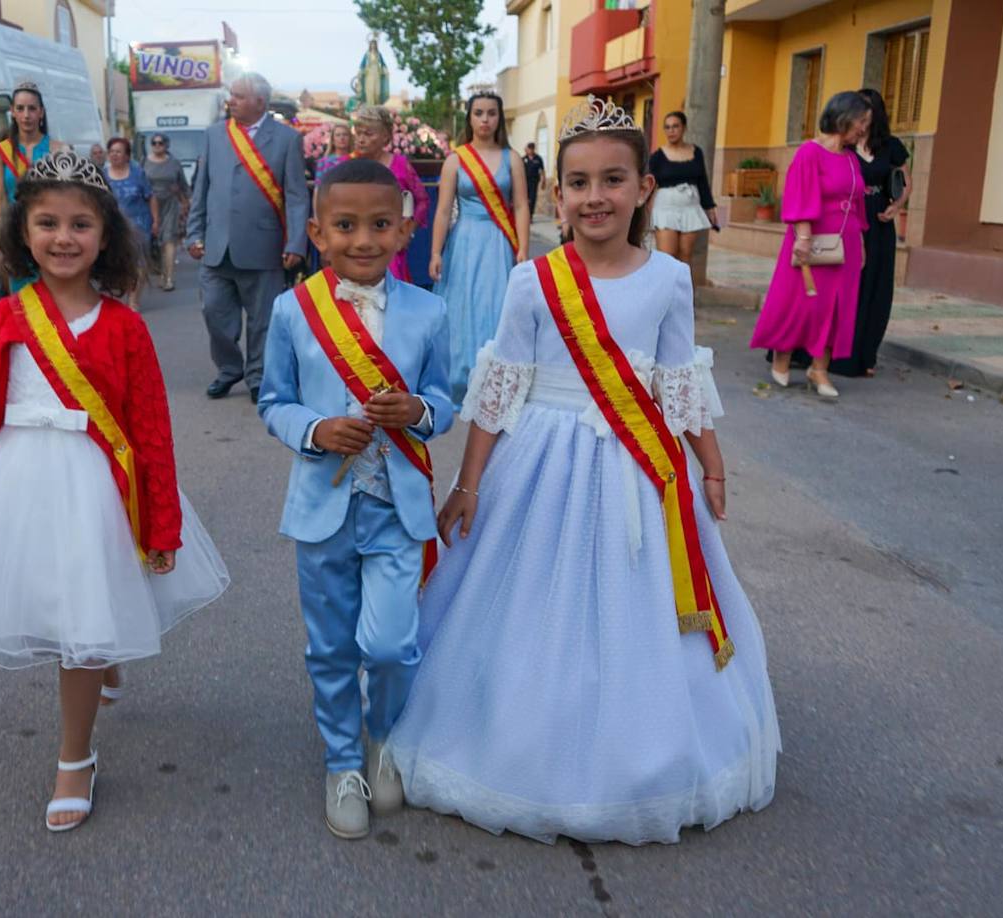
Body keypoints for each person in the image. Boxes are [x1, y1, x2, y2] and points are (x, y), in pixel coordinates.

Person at [386, 96, 779, 846]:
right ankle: (522, 734)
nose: (594, 196)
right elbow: (498, 392)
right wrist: (467, 484)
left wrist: (713, 468)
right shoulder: (532, 281)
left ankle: (643, 745)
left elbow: (676, 382)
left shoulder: (667, 279)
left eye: (612, 180)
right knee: (535, 598)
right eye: (578, 182)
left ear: (642, 190)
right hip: (543, 462)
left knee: (636, 606)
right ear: (558, 193)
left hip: (640, 469)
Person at [0, 151, 230, 832]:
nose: (63, 238)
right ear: (23, 232)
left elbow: (152, 435)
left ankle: (74, 759)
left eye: (81, 224)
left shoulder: (126, 328)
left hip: (97, 489)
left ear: (106, 236)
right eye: (47, 222)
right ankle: (101, 661)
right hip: (17, 484)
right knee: (61, 608)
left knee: (82, 620)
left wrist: (161, 526)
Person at [257, 158, 453, 840]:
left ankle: (382, 735)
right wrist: (315, 429)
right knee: (332, 647)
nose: (363, 239)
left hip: (398, 507)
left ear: (404, 230)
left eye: (379, 225)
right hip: (322, 506)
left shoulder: (430, 311)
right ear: (317, 231)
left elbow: (447, 397)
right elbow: (272, 401)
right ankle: (343, 762)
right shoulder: (292, 310)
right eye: (345, 226)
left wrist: (420, 412)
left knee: (393, 643)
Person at [187, 72, 309, 404]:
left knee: (262, 321)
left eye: (239, 96)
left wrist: (296, 242)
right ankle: (229, 369)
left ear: (259, 101)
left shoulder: (286, 139)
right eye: (232, 95)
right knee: (213, 312)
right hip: (216, 246)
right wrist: (193, 233)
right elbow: (202, 189)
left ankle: (257, 375)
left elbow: (297, 196)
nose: (231, 101)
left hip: (264, 246)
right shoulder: (214, 135)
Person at [749, 91, 871, 399]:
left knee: (838, 305)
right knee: (802, 302)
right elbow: (799, 194)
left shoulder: (852, 158)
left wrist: (860, 240)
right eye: (861, 122)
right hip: (811, 238)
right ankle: (782, 356)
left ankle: (820, 369)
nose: (863, 129)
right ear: (844, 118)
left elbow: (857, 203)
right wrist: (803, 239)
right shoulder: (809, 152)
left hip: (845, 243)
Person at [429, 91, 530, 405]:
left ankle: (496, 380)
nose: (485, 119)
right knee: (462, 306)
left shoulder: (512, 158)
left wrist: (523, 248)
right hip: (464, 243)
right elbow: (444, 210)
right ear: (469, 118)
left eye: (491, 113)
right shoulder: (456, 160)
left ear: (499, 118)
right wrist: (435, 251)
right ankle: (459, 379)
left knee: (497, 306)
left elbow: (522, 206)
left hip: (499, 241)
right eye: (479, 113)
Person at [830, 87, 911, 378]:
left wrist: (896, 207)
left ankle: (866, 354)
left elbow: (905, 182)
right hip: (848, 219)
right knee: (846, 285)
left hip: (879, 221)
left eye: (864, 111)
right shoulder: (843, 145)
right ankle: (835, 354)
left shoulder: (890, 145)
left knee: (875, 286)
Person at [0, 82, 68, 293]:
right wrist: (2, 241)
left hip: (47, 233)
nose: (26, 115)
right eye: (20, 108)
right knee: (22, 301)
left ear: (41, 113)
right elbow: (1, 199)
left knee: (52, 295)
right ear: (12, 113)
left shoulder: (57, 150)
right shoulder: (2, 151)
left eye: (32, 109)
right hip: (16, 234)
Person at [350, 105, 430, 283]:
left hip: (390, 245)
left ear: (385, 136)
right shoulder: (349, 166)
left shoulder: (400, 165)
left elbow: (422, 200)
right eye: (359, 133)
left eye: (369, 134)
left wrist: (407, 232)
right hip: (355, 245)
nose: (361, 139)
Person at [649, 111, 719, 267]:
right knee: (667, 256)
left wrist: (710, 207)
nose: (671, 131)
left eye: (675, 126)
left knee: (685, 254)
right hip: (666, 209)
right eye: (667, 127)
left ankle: (686, 291)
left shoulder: (696, 152)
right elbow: (648, 185)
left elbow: (702, 180)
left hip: (690, 208)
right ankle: (666, 291)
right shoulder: (657, 157)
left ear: (684, 128)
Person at [104, 137, 158, 311]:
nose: (114, 155)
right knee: (119, 263)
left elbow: (150, 197)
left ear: (127, 155)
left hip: (139, 225)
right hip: (113, 226)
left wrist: (156, 220)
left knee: (139, 263)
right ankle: (122, 291)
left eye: (118, 151)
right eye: (112, 151)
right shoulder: (103, 175)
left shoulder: (137, 173)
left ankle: (134, 299)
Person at [142, 133, 189, 292]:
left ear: (166, 145)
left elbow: (183, 184)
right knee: (155, 241)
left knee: (169, 239)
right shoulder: (144, 162)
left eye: (160, 143)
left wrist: (186, 203)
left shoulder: (174, 163)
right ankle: (160, 272)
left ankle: (168, 278)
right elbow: (140, 183)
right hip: (149, 205)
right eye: (154, 143)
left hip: (170, 204)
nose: (157, 146)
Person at [522, 141, 545, 217]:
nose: (531, 150)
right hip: (524, 182)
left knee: (532, 198)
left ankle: (530, 215)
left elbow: (542, 170)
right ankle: (525, 214)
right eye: (529, 149)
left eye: (532, 149)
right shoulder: (523, 159)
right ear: (527, 149)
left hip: (534, 181)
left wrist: (543, 181)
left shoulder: (538, 158)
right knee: (525, 198)